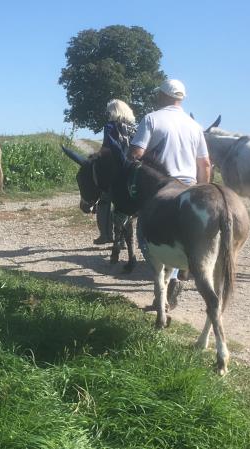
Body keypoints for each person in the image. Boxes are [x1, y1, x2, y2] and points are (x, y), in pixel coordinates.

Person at [129, 79, 211, 307]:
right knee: (185, 236)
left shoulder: (152, 119)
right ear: (181, 98)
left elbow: (136, 154)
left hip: (160, 186)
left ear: (161, 95)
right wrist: (202, 190)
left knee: (146, 234)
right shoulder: (194, 125)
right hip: (189, 186)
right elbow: (204, 164)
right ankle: (179, 274)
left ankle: (169, 281)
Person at [93, 98, 136, 245]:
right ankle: (123, 240)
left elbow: (106, 149)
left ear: (113, 111)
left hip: (113, 170)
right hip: (130, 169)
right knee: (124, 203)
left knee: (105, 201)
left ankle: (105, 235)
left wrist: (95, 157)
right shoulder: (133, 128)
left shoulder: (110, 126)